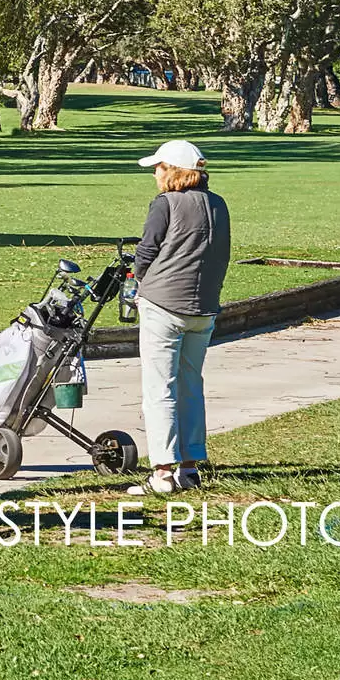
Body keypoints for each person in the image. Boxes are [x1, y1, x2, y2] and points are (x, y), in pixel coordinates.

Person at [127, 140, 230, 495]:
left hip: (163, 305)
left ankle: (162, 471)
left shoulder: (165, 204)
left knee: (160, 389)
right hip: (204, 308)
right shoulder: (218, 204)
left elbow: (146, 250)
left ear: (174, 171)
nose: (155, 174)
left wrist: (140, 279)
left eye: (159, 167)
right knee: (190, 386)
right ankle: (189, 466)